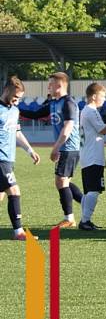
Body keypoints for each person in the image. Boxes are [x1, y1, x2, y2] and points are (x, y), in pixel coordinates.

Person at [18, 72, 84, 227]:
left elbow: (67, 128)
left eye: (51, 84)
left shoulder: (68, 103)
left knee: (61, 181)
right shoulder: (54, 103)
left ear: (59, 85)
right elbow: (34, 114)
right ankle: (87, 202)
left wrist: (56, 148)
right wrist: (14, 108)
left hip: (69, 148)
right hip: (65, 148)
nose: (48, 86)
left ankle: (69, 218)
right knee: (64, 181)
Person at [1, 76, 41, 240]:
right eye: (16, 97)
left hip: (10, 159)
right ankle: (19, 232)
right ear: (6, 90)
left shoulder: (15, 110)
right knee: (14, 191)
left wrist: (30, 150)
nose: (17, 101)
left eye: (20, 98)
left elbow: (17, 132)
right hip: (1, 159)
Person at [77, 83, 106, 231]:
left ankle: (85, 220)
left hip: (88, 155)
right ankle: (85, 221)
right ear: (94, 96)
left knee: (89, 190)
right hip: (92, 156)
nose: (104, 99)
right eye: (102, 96)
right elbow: (103, 130)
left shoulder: (86, 111)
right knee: (94, 189)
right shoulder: (91, 111)